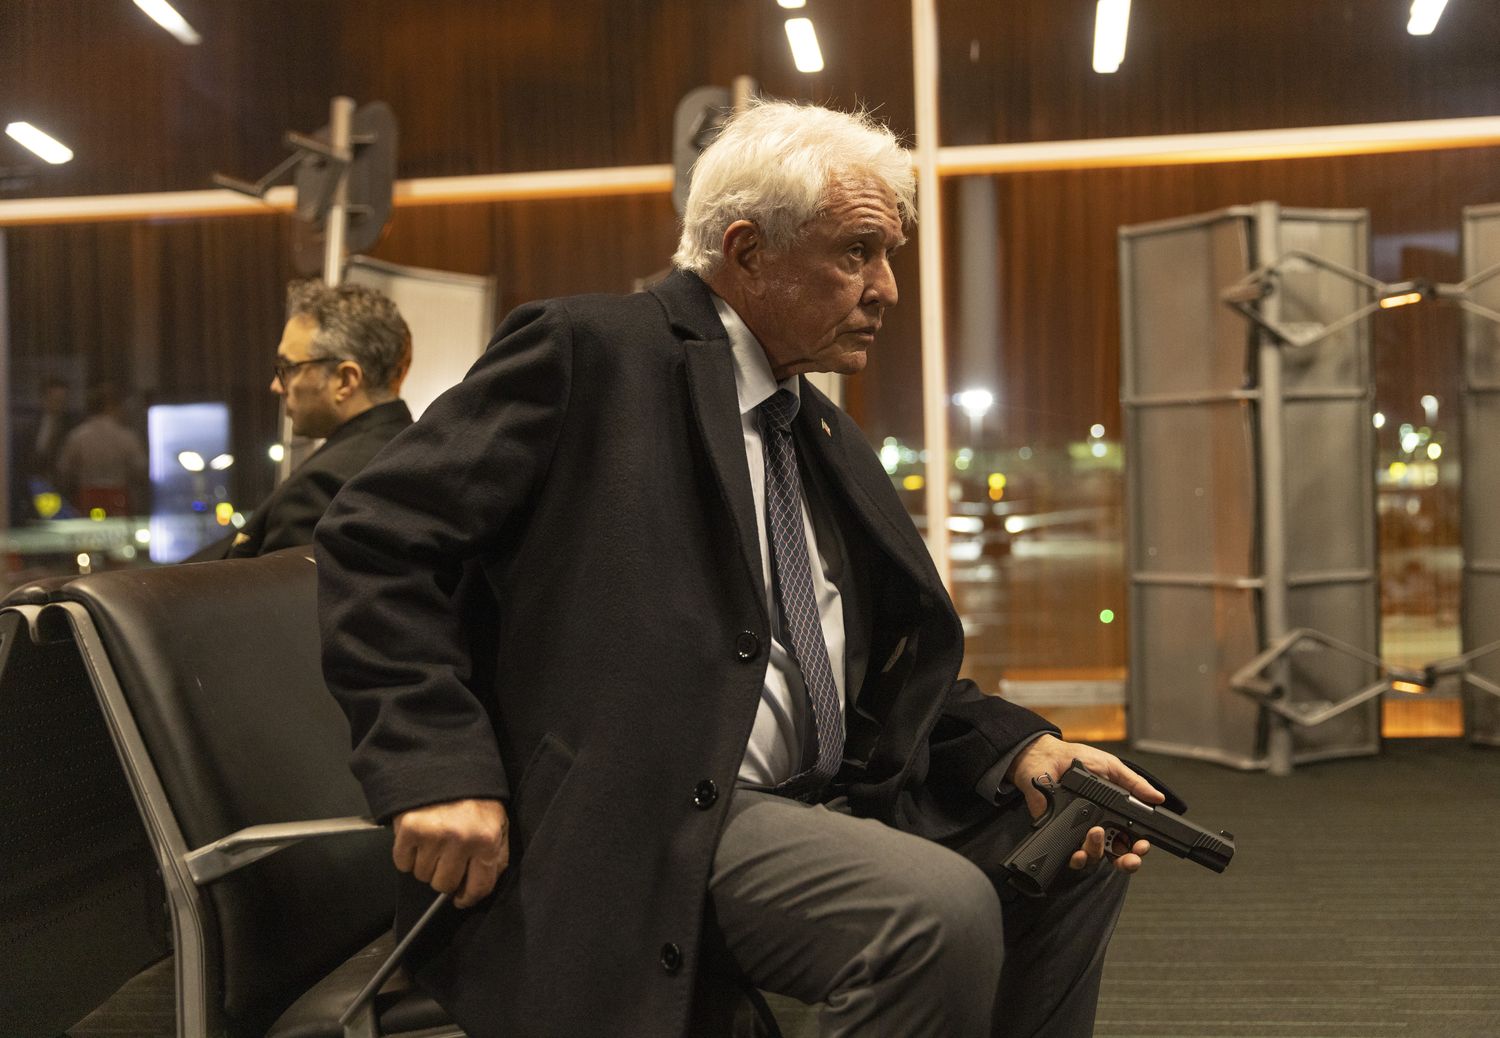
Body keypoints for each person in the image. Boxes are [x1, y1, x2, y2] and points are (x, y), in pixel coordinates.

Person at [316, 101, 1164, 1038]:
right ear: (749, 250)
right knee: (934, 912)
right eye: (857, 253)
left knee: (1075, 843)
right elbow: (375, 537)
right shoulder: (593, 353)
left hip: (824, 797)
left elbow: (866, 670)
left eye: (889, 257)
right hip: (655, 812)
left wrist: (1019, 749)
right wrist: (434, 766)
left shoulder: (816, 427)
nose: (885, 289)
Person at [219, 280, 413, 558]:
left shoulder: (320, 485)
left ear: (345, 380)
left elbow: (274, 588)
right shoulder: (415, 452)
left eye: (288, 367)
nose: (276, 385)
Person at [55, 382, 147, 517]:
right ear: (112, 407)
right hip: (118, 497)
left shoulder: (77, 436)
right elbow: (140, 469)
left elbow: (64, 469)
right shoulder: (126, 436)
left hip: (86, 496)